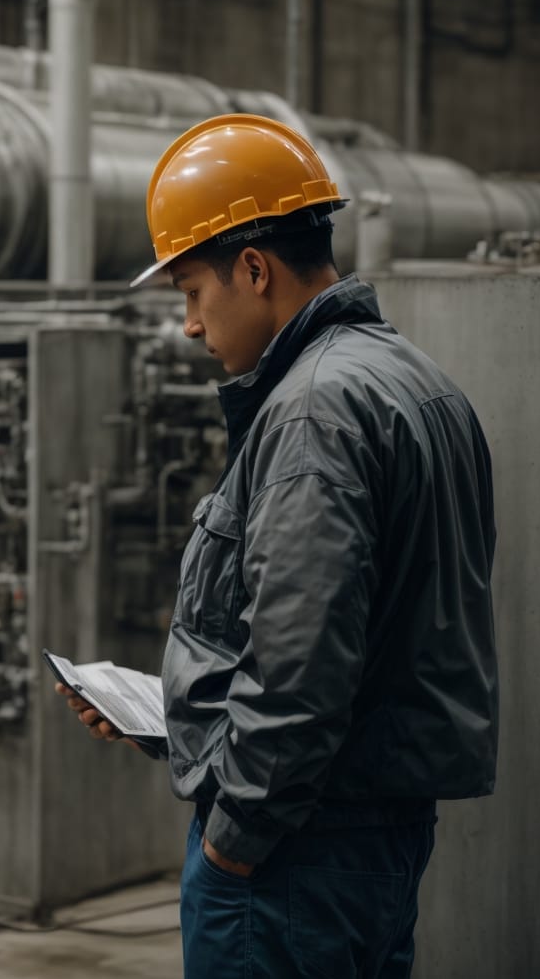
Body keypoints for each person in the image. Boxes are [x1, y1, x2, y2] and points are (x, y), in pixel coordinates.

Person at [54, 114, 498, 978]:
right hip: (373, 834)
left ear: (253, 269)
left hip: (294, 851)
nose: (190, 324)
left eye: (192, 293)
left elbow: (301, 670)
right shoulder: (416, 382)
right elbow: (366, 638)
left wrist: (234, 843)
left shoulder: (312, 411)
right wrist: (172, 713)